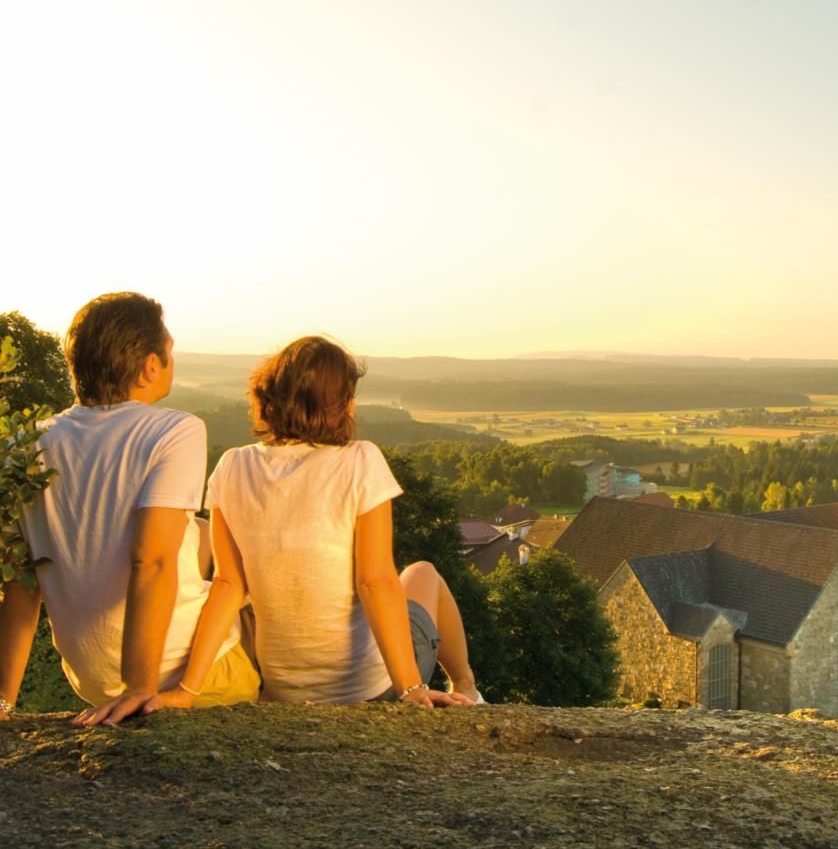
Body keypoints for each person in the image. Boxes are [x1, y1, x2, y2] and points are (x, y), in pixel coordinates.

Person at [145, 336, 481, 712]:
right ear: (340, 404)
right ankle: (466, 685)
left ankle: (461, 685)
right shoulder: (360, 461)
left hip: (285, 686)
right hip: (368, 685)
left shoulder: (231, 467)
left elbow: (228, 585)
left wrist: (187, 690)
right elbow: (375, 581)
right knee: (423, 574)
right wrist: (410, 689)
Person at [0, 293, 259, 724]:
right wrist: (141, 688)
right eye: (170, 350)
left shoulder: (23, 445)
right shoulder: (174, 431)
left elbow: (20, 581)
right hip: (182, 677)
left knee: (195, 531)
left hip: (90, 680)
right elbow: (152, 560)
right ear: (150, 366)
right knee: (251, 583)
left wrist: (3, 702)